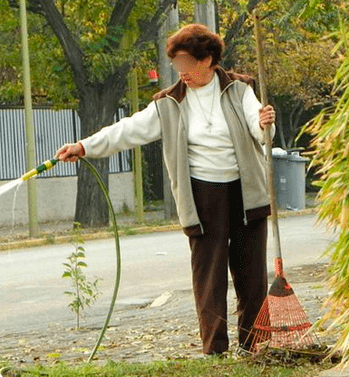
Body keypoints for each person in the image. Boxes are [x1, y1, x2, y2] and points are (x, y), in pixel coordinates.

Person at [56, 23, 275, 356]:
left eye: (187, 61)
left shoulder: (240, 90)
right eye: (177, 63)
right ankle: (214, 348)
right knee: (209, 276)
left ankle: (255, 344)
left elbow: (257, 127)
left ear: (209, 60)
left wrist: (263, 124)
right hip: (202, 194)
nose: (181, 70)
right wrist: (84, 146)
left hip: (247, 192)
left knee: (251, 272)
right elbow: (128, 130)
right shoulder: (169, 103)